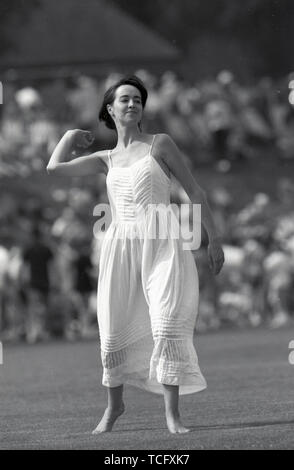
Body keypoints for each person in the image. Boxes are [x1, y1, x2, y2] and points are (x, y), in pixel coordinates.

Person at [46, 75, 225, 434]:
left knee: (166, 323)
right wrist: (68, 137)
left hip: (163, 243)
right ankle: (114, 408)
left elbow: (194, 190)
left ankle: (172, 415)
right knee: (111, 333)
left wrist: (213, 238)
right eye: (124, 100)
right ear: (110, 110)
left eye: (137, 100)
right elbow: (54, 169)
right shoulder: (106, 158)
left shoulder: (161, 144)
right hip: (119, 247)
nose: (132, 104)